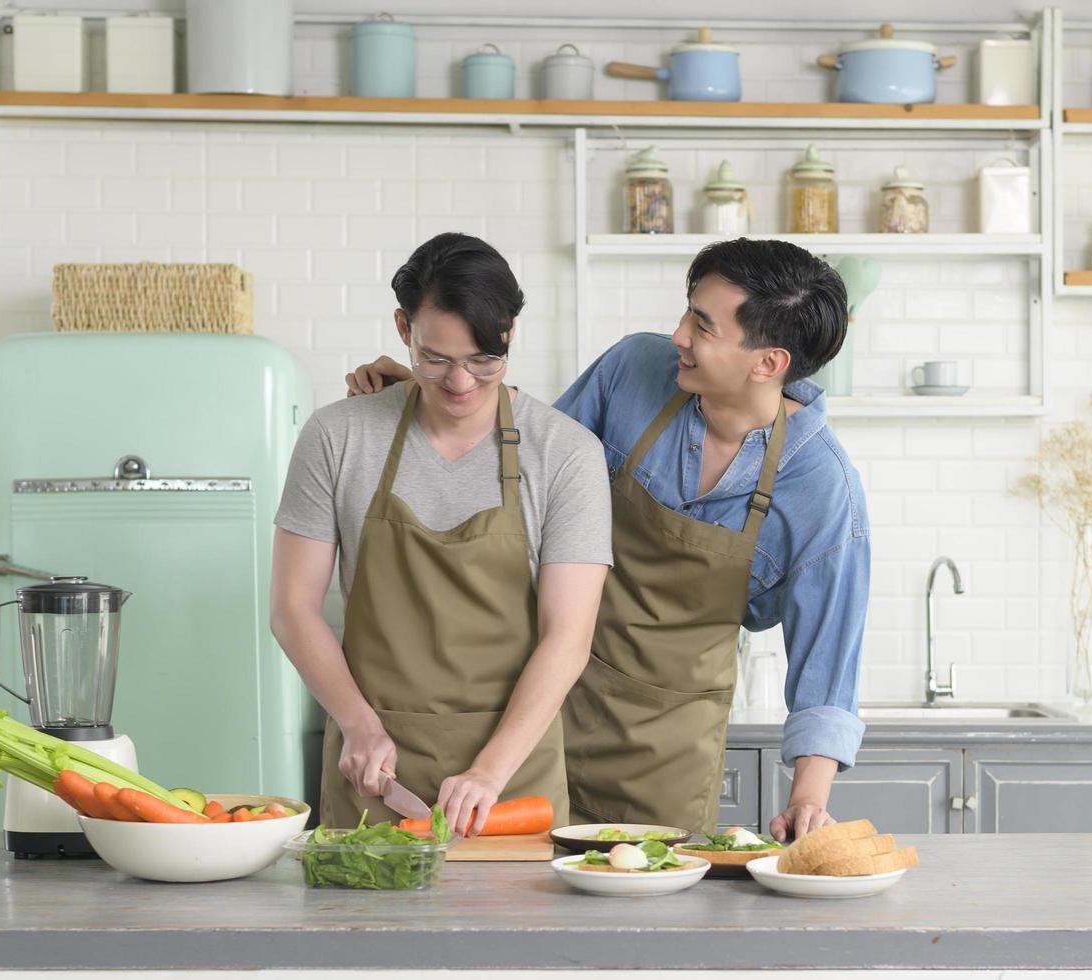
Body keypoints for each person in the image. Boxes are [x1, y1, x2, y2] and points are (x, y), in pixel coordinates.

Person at [347, 238, 869, 841]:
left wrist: (808, 799)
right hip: (539, 710)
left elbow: (828, 660)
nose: (678, 335)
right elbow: (532, 454)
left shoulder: (824, 491)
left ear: (768, 363)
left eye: (702, 325)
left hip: (662, 746)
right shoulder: (633, 372)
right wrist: (419, 392)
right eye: (686, 311)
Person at [272, 232, 611, 836]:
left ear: (509, 332)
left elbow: (568, 637)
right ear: (403, 328)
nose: (461, 384)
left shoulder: (564, 453)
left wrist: (488, 772)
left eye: (484, 360)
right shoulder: (339, 437)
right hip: (373, 771)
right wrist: (357, 723)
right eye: (436, 359)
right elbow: (293, 609)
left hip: (512, 781)